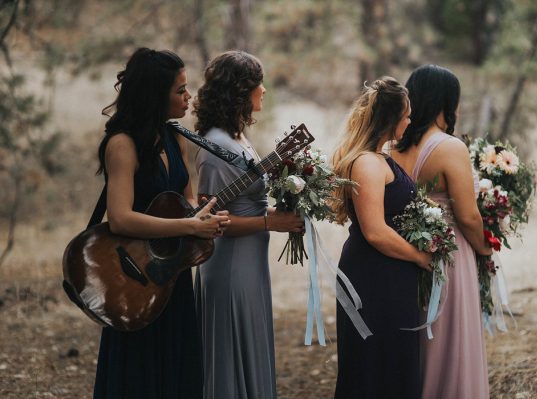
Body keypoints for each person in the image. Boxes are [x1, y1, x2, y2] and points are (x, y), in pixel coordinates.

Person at [93, 47, 230, 399]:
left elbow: (185, 205)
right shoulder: (122, 145)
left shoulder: (175, 137)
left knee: (179, 375)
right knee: (138, 378)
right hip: (134, 277)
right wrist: (189, 227)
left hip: (173, 274)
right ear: (156, 95)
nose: (189, 97)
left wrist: (204, 218)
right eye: (180, 90)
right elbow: (121, 218)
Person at [192, 50, 304, 399]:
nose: (265, 91)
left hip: (249, 264)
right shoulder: (216, 146)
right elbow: (212, 222)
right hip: (228, 268)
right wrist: (271, 221)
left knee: (251, 344)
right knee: (231, 353)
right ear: (240, 91)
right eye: (259, 83)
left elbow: (244, 197)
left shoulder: (237, 138)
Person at [391, 64, 493, 399]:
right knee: (450, 336)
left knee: (418, 338)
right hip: (449, 253)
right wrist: (485, 248)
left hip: (404, 251)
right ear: (446, 101)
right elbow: (467, 216)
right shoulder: (450, 147)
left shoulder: (391, 147)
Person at [331, 77, 432, 398]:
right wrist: (420, 257)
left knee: (395, 361)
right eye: (406, 115)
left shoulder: (382, 158)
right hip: (372, 279)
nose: (410, 121)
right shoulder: (367, 164)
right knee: (374, 366)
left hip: (391, 275)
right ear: (390, 119)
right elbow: (375, 231)